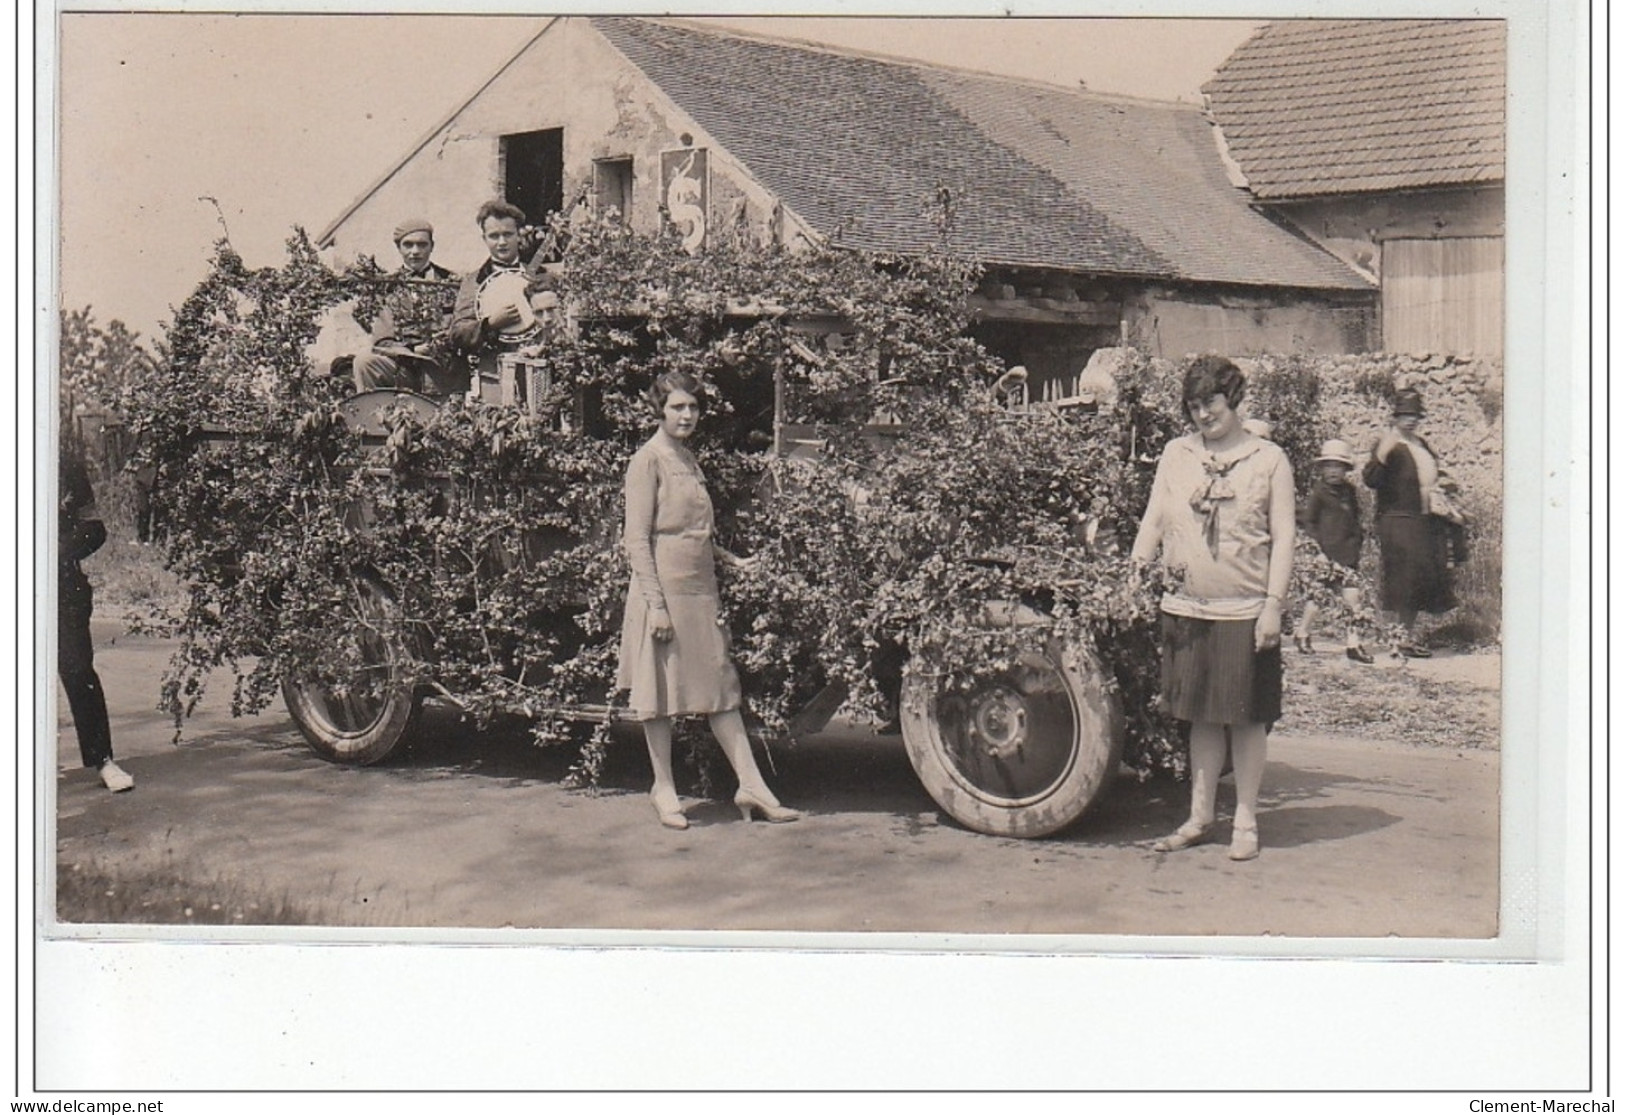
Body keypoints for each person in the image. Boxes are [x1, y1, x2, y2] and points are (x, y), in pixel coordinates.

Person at [617, 370, 801, 829]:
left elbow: (692, 530)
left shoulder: (688, 459)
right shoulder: (648, 461)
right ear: (660, 410)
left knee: (722, 688)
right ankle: (663, 788)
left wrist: (730, 560)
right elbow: (638, 540)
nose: (687, 415)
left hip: (701, 590)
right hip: (663, 591)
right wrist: (656, 606)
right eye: (678, 407)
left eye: (693, 407)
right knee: (659, 695)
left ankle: (752, 785)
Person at [1130, 355, 1294, 861]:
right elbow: (1155, 519)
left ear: (1234, 398)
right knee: (1200, 717)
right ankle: (1200, 816)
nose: (1203, 415)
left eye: (1212, 403)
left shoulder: (1269, 460)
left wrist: (1273, 606)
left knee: (1246, 719)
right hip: (1186, 608)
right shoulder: (1176, 455)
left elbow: (1285, 538)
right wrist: (1135, 573)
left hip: (1244, 610)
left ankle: (1245, 819)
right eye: (1194, 406)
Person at [59, 434, 134, 792]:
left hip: (58, 584)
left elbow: (94, 528)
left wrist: (54, 553)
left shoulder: (62, 462)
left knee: (76, 668)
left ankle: (102, 760)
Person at [1363, 389, 1456, 658]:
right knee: (1404, 577)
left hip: (1424, 518)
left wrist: (1446, 486)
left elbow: (1434, 474)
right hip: (1398, 519)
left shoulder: (1421, 444)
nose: (1411, 420)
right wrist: (1381, 455)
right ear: (1395, 417)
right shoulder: (1388, 444)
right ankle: (1398, 638)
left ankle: (1404, 637)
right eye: (1405, 415)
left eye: (1415, 415)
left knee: (1418, 578)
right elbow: (1371, 479)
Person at [448, 200, 553, 401]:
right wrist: (490, 325)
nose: (502, 242)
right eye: (494, 236)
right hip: (494, 375)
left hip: (540, 372)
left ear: (519, 234)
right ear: (484, 238)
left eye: (508, 234)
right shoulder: (474, 282)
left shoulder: (541, 275)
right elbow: (457, 333)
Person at [353, 218, 461, 396]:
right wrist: (411, 351)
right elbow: (382, 339)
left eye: (422, 245)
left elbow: (461, 326)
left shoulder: (451, 283)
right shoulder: (387, 287)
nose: (415, 252)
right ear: (399, 248)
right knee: (364, 362)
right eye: (408, 245)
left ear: (432, 246)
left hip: (442, 369)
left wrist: (438, 344)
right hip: (403, 367)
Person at [1296, 438, 1375, 664]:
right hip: (1326, 555)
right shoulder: (1319, 493)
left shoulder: (1349, 491)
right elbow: (1309, 522)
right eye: (1328, 466)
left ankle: (1353, 643)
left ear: (1345, 470)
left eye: (1338, 466)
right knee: (1318, 598)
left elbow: (1355, 519)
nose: (1333, 471)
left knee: (1353, 599)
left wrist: (1358, 539)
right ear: (1322, 469)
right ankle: (1302, 632)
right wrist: (1317, 550)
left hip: (1348, 554)